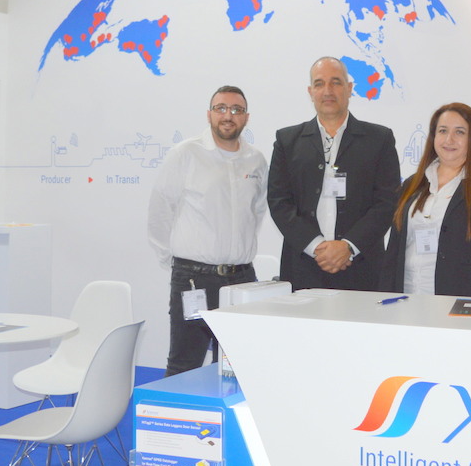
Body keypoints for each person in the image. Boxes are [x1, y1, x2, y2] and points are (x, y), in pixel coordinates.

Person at [148, 85, 267, 375]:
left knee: (236, 366)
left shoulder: (256, 160)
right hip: (194, 280)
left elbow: (257, 211)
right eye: (221, 108)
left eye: (236, 110)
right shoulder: (186, 154)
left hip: (242, 280)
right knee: (184, 364)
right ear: (209, 114)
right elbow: (160, 210)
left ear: (246, 117)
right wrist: (177, 262)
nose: (228, 116)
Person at [268, 57, 399, 291]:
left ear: (349, 88)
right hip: (303, 268)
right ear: (310, 92)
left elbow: (387, 202)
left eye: (336, 82)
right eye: (319, 84)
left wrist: (348, 246)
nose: (327, 91)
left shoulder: (379, 140)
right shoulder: (287, 141)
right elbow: (279, 202)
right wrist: (317, 247)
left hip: (362, 268)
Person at [381, 103, 471, 298]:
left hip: (462, 303)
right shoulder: (413, 185)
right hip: (408, 298)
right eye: (443, 131)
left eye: (460, 132)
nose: (449, 139)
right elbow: (394, 252)